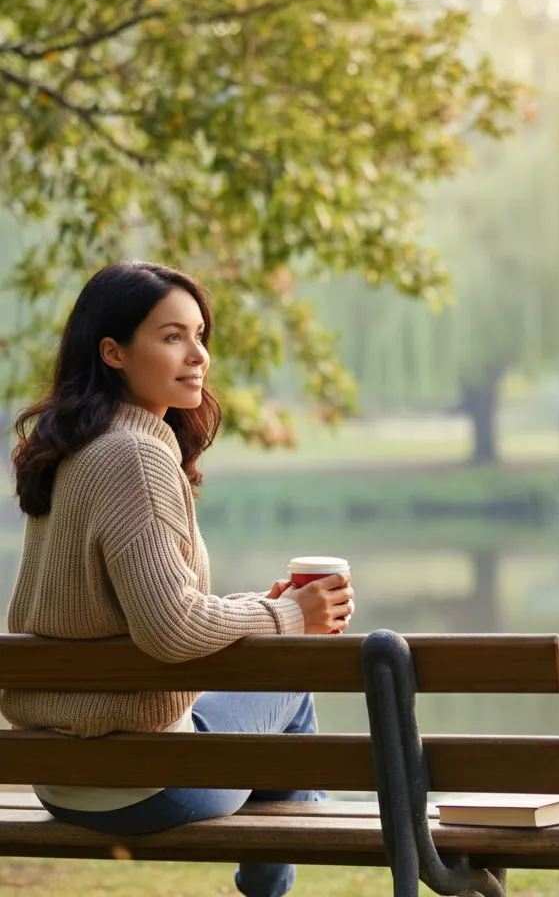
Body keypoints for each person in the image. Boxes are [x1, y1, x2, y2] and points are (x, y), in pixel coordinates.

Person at [0, 261, 355, 897]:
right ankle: (270, 889)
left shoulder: (71, 448)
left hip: (57, 779)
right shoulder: (135, 456)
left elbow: (141, 610)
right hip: (146, 785)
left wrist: (257, 609)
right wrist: (292, 619)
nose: (198, 356)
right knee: (292, 684)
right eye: (172, 337)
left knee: (269, 683)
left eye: (200, 336)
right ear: (113, 351)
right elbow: (171, 629)